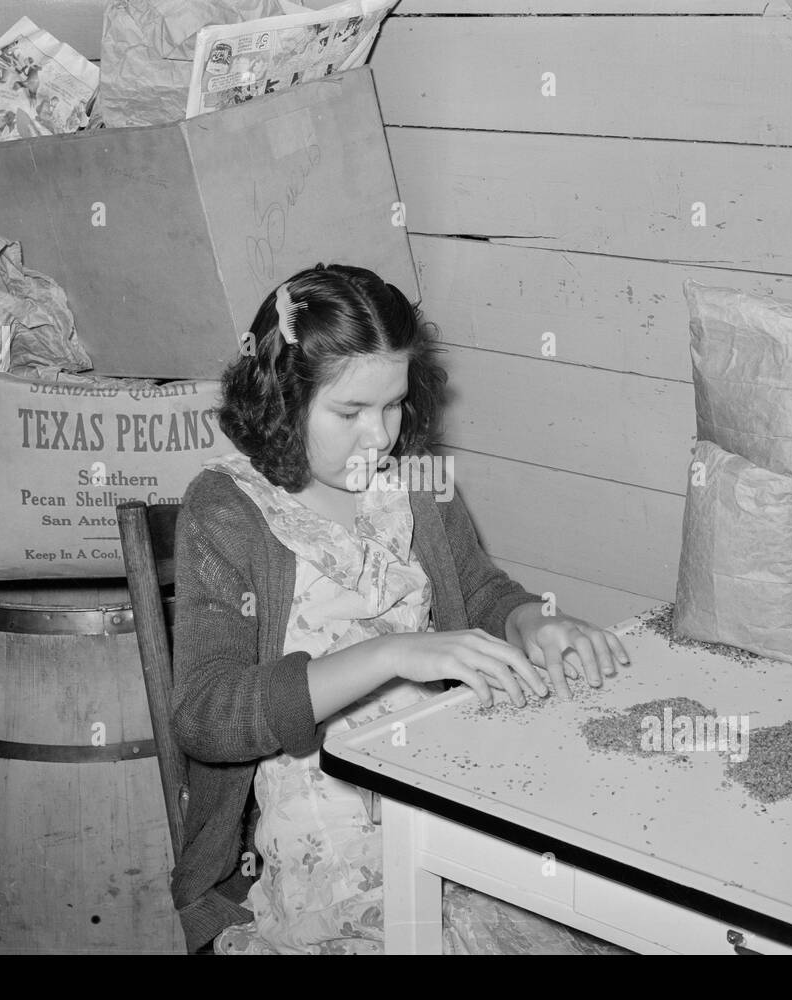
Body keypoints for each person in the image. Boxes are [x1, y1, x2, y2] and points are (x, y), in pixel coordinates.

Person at [171, 262, 631, 954]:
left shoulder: (412, 483)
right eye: (349, 412)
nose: (380, 436)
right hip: (326, 838)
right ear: (279, 398)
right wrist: (389, 654)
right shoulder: (228, 510)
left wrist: (532, 618)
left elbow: (476, 590)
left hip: (444, 779)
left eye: (392, 404)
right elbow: (206, 717)